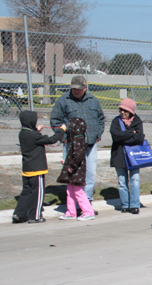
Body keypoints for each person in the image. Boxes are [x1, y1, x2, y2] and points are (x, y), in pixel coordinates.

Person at [50, 75, 104, 207]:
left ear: (85, 88)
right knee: (73, 174)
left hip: (90, 144)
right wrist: (63, 137)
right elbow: (55, 121)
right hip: (72, 145)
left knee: (90, 173)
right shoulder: (63, 101)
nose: (76, 91)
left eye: (79, 89)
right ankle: (73, 204)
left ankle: (87, 202)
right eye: (74, 89)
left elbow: (101, 119)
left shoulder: (93, 101)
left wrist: (97, 134)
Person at [13, 111, 66, 224]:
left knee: (26, 192)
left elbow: (33, 139)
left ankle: (18, 214)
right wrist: (62, 130)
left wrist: (37, 131)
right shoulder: (34, 135)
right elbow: (51, 140)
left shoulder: (23, 133)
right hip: (36, 169)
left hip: (27, 168)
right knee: (38, 193)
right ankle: (35, 216)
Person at [109, 98, 144, 214]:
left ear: (131, 111)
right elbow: (115, 136)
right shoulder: (116, 121)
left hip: (134, 156)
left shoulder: (137, 121)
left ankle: (134, 204)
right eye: (120, 110)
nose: (122, 113)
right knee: (122, 181)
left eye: (125, 110)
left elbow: (139, 137)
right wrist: (130, 133)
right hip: (119, 154)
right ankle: (125, 204)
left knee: (135, 179)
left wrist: (124, 138)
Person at [57, 118, 96, 221]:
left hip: (77, 171)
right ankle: (71, 212)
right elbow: (73, 155)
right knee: (70, 191)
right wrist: (66, 162)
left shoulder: (78, 139)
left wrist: (71, 166)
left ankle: (88, 212)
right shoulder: (75, 139)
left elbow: (78, 155)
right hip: (73, 170)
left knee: (78, 192)